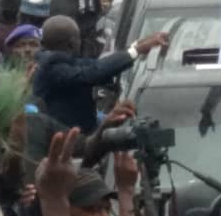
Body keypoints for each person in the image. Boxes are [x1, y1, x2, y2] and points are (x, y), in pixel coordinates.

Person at [31, 14, 167, 132]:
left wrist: (135, 47)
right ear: (72, 43)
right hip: (63, 141)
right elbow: (92, 73)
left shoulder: (56, 61)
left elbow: (96, 65)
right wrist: (136, 51)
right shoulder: (51, 66)